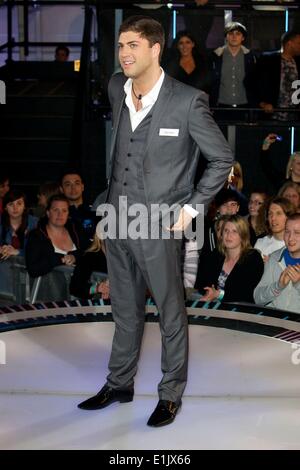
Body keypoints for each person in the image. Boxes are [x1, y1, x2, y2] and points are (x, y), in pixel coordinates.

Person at [77, 15, 233, 427]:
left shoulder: (187, 100)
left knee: (169, 313)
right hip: (116, 220)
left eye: (132, 45)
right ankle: (119, 383)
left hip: (160, 225)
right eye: (120, 45)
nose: (123, 53)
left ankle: (170, 395)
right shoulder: (116, 88)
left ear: (154, 49)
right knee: (124, 311)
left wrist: (191, 207)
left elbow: (222, 159)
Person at [195, 215, 264, 303]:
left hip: (240, 311)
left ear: (243, 235)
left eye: (234, 231)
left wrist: (218, 294)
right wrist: (209, 292)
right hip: (213, 307)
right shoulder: (216, 254)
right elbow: (201, 282)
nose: (228, 235)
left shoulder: (253, 258)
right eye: (226, 230)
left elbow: (246, 293)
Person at [254, 213, 300, 313]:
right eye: (287, 232)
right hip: (274, 322)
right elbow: (257, 298)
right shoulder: (274, 258)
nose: (290, 238)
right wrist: (278, 286)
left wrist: (298, 284)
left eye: (297, 232)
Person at [210, 22, 256, 119]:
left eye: (238, 34)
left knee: (242, 133)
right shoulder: (216, 55)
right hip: (221, 105)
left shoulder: (250, 56)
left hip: (244, 104)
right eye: (231, 34)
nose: (234, 37)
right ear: (226, 37)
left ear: (243, 38)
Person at [255, 30, 300, 121]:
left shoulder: (298, 62)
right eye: (299, 43)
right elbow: (251, 82)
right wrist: (262, 104)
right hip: (272, 115)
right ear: (289, 43)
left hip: (295, 117)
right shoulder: (267, 60)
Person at [0, 190, 38, 260]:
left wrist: (18, 252)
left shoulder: (35, 223)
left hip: (29, 266)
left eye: (19, 203)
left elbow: (40, 251)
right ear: (5, 208)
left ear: (24, 206)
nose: (15, 208)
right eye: (11, 204)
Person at [254, 196, 295, 261]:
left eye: (278, 213)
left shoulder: (295, 244)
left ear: (288, 217)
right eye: (270, 214)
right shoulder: (260, 243)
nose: (273, 218)